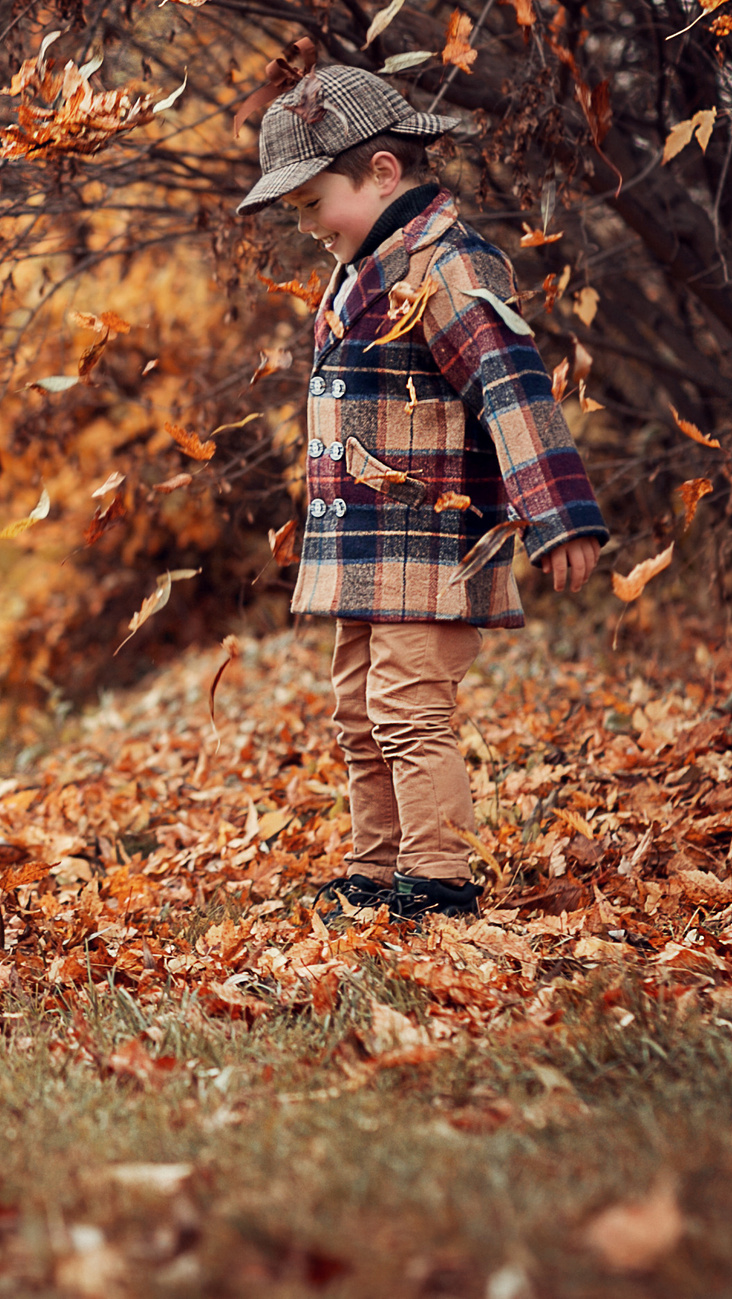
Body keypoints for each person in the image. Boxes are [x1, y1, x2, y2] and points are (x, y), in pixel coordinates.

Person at [235, 47, 606, 920]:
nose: (307, 225)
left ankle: (437, 877)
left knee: (407, 709)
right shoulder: (359, 271)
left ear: (382, 171)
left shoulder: (447, 268)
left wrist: (560, 515)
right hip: (365, 552)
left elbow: (511, 389)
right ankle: (375, 870)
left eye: (313, 203)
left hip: (431, 545)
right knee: (359, 714)